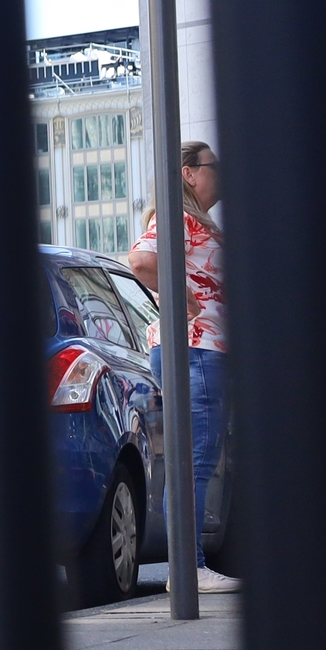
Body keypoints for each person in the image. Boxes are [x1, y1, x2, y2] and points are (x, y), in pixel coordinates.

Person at [127, 141, 234, 593]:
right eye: (214, 165)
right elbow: (141, 260)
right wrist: (182, 297)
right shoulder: (180, 217)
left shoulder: (194, 221)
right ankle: (188, 570)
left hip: (196, 350)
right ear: (188, 173)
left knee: (192, 461)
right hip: (197, 349)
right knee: (194, 462)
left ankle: (188, 568)